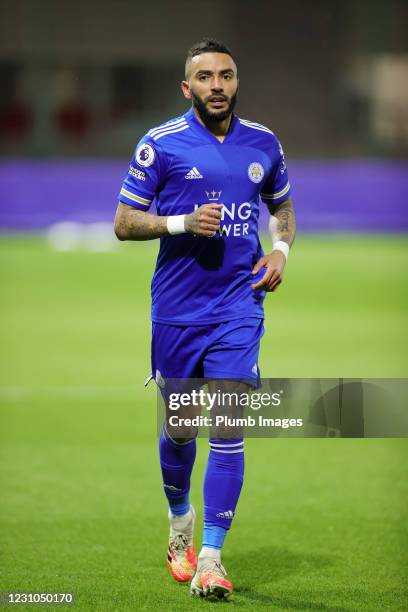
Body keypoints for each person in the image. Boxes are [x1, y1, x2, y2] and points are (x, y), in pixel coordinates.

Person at [114, 37, 296, 601]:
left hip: (238, 308)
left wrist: (280, 250)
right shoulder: (161, 144)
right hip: (177, 312)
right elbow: (123, 222)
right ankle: (180, 522)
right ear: (186, 87)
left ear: (236, 82)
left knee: (229, 423)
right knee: (179, 428)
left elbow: (281, 206)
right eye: (206, 77)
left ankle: (212, 559)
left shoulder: (264, 142)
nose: (217, 85)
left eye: (227, 75)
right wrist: (181, 223)